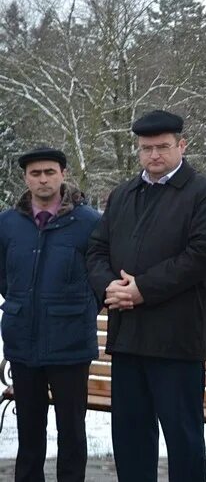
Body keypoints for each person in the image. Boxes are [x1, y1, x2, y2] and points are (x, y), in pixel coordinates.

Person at [86, 110, 206, 482]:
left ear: (182, 145)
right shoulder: (123, 194)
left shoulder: (203, 193)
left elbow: (203, 255)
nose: (154, 155)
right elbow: (96, 250)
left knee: (183, 440)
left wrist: (142, 289)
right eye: (146, 148)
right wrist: (108, 286)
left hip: (176, 341)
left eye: (162, 147)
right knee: (130, 439)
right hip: (128, 337)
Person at [0, 147, 100, 482]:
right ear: (25, 178)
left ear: (63, 174)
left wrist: (76, 308)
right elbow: (4, 276)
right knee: (29, 430)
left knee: (72, 430)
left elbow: (100, 276)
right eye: (35, 173)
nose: (43, 179)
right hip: (23, 341)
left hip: (70, 344)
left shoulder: (88, 223)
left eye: (50, 172)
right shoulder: (7, 224)